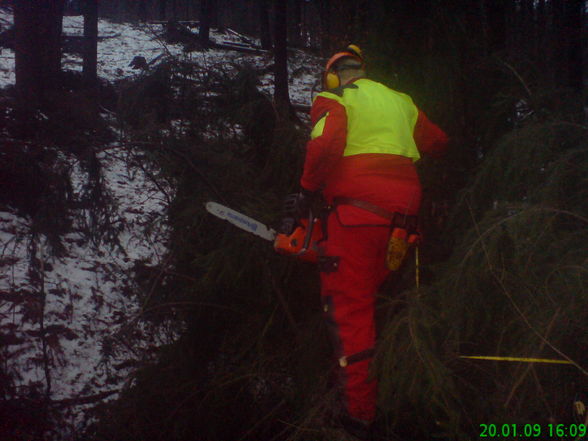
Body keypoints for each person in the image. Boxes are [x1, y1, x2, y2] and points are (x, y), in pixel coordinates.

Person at [281, 45, 448, 439]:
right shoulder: (402, 101)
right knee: (381, 299)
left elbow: (324, 145)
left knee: (350, 310)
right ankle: (403, 387)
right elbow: (437, 141)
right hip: (404, 219)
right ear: (364, 71)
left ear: (334, 76)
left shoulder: (335, 98)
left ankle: (359, 415)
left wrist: (306, 190)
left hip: (358, 216)